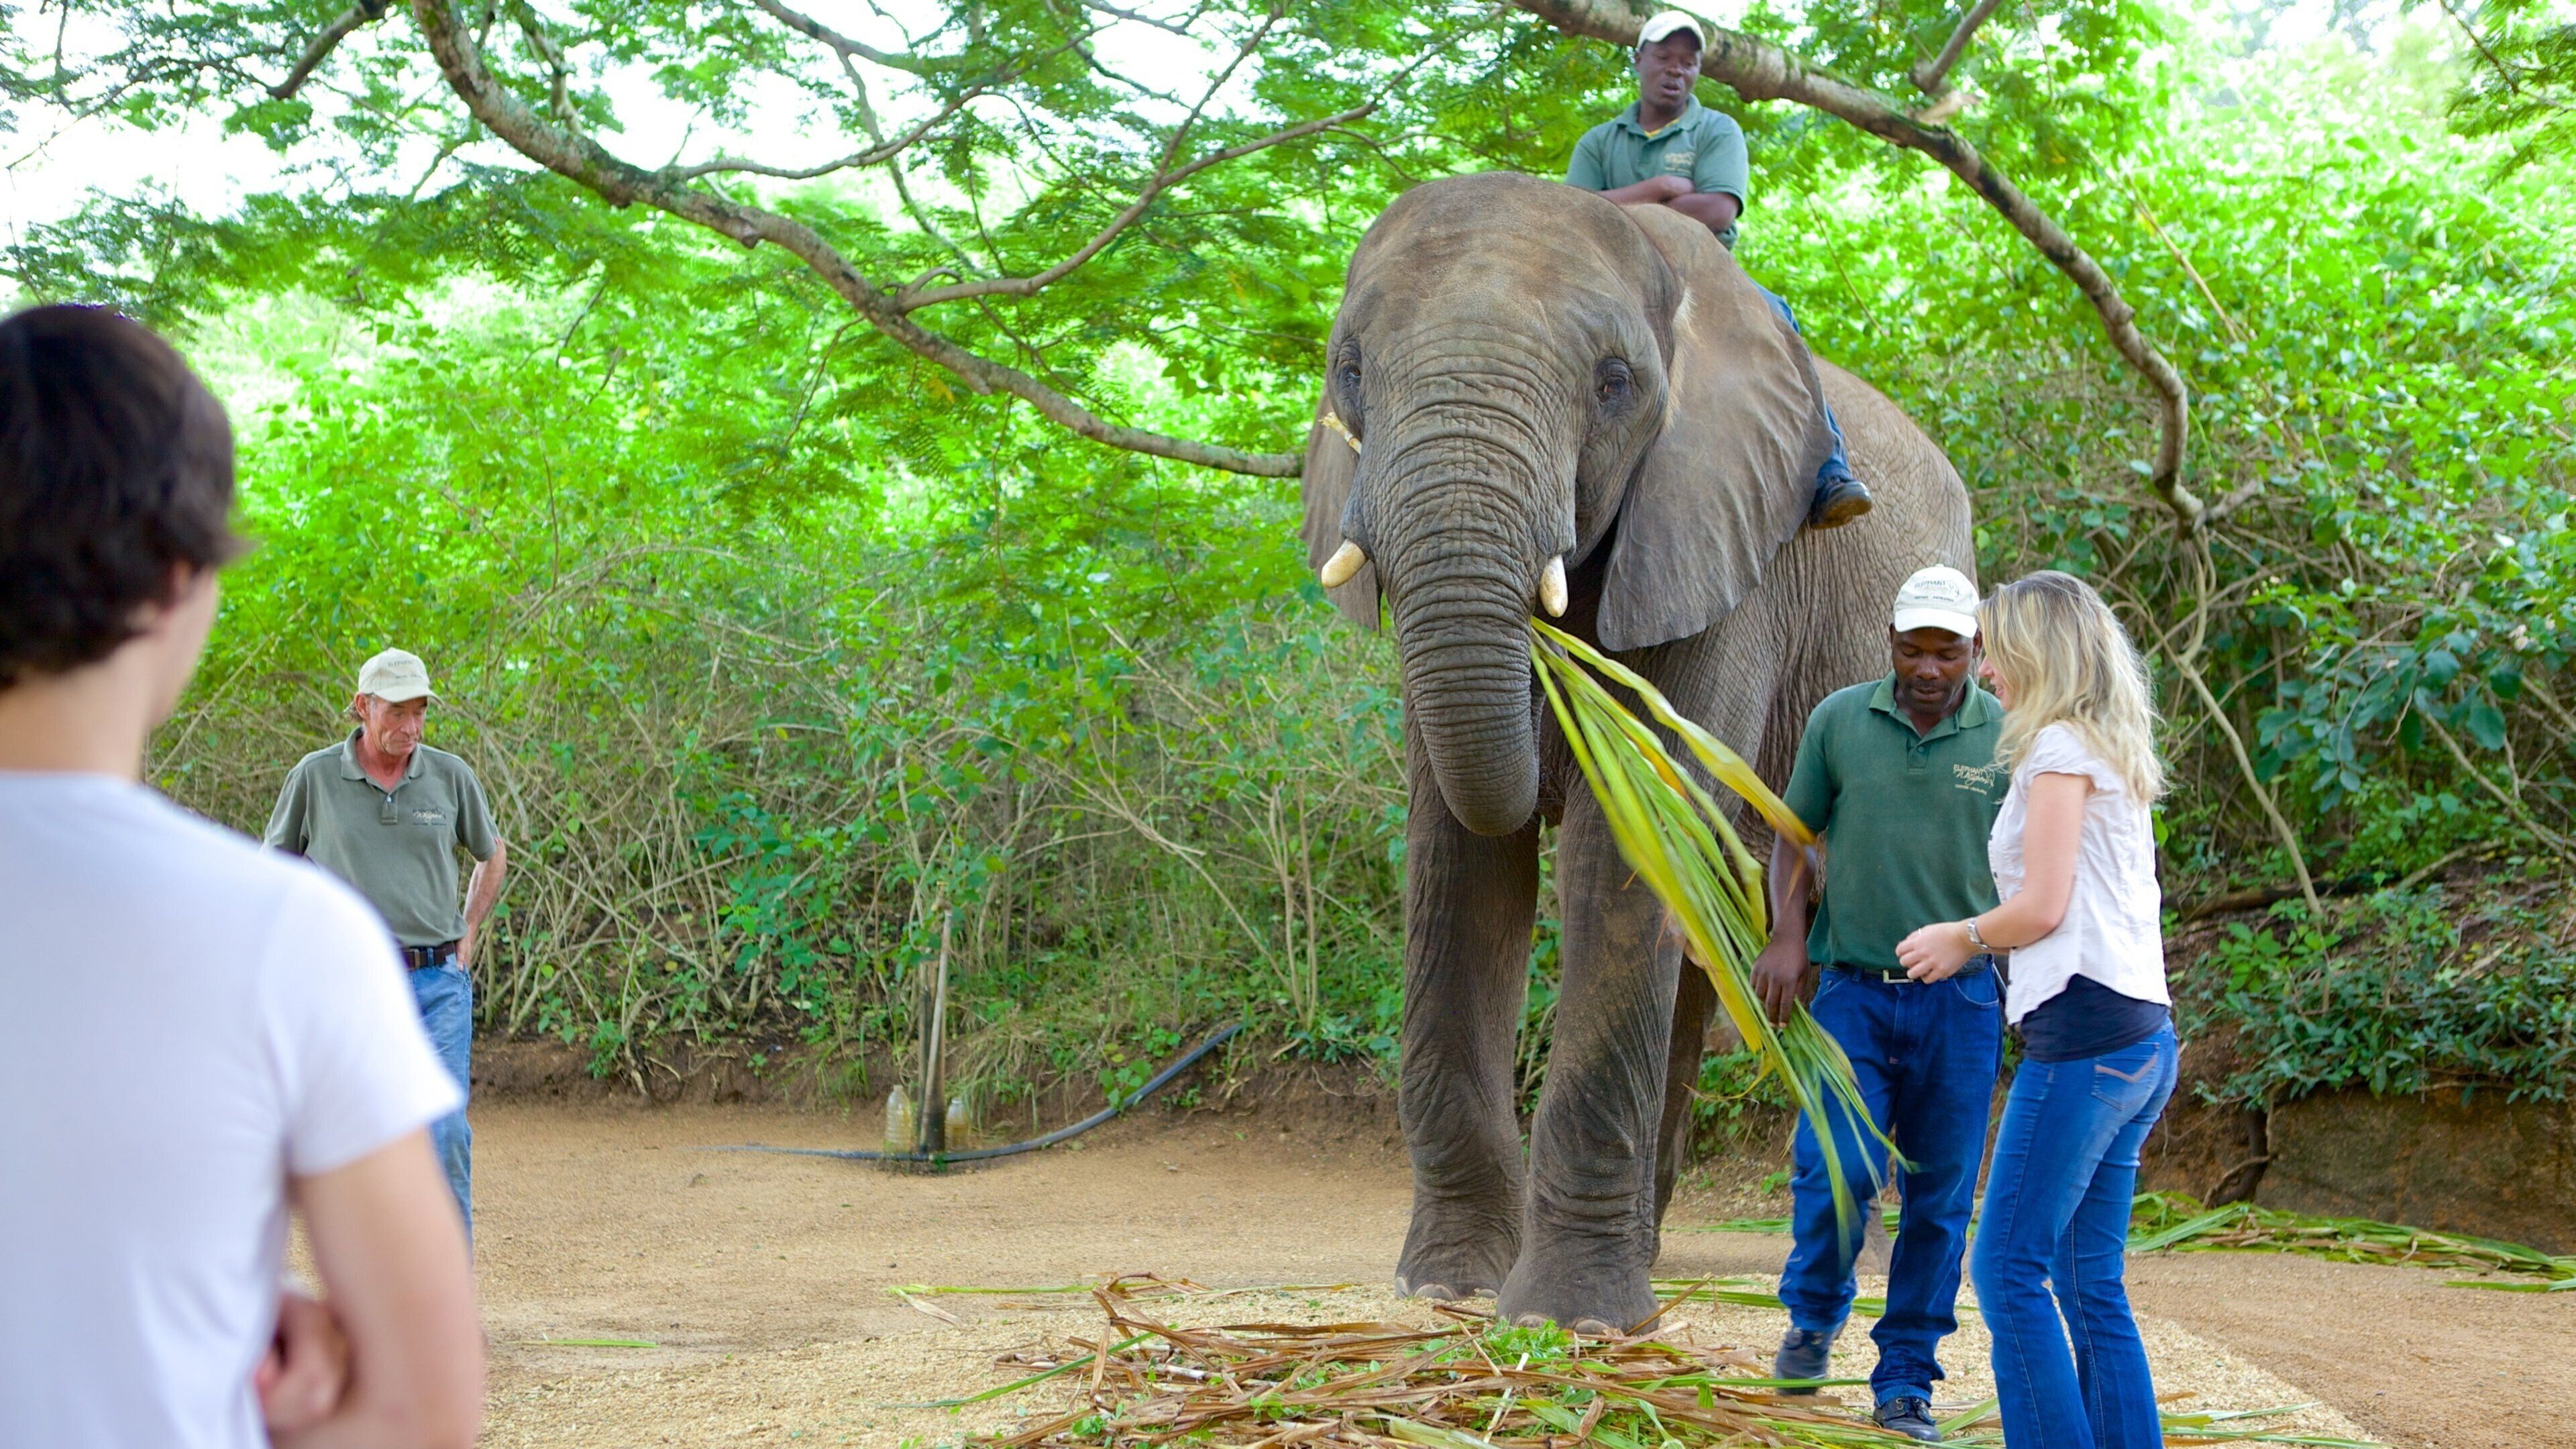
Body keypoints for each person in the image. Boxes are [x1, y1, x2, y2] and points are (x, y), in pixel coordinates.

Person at [0, 303, 482, 1447]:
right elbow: (424, 1410)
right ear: (179, 576)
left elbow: (486, 848)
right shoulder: (285, 939)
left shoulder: (348, 877)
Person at [1896, 570, 2176, 1449]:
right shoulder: (2107, 748)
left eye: (1996, 653)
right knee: (2086, 1276)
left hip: (2088, 1044)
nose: (1984, 673)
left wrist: (1962, 936)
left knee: (2007, 1266)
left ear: (2037, 655)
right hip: (2141, 1040)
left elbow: (2044, 906)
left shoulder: (2059, 751)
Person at [1752, 564, 2006, 1442]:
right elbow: (1792, 836)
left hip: (1964, 1005)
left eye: (1947, 651)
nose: (1928, 669)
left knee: (1938, 1202)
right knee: (1840, 1169)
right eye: (1912, 650)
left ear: (1976, 649)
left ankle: (1906, 1384)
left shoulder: (2009, 737)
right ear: (1888, 645)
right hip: (1853, 994)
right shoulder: (1838, 721)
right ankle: (1815, 1311)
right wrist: (1787, 933)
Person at [1563, 9, 1874, 530]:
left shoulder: (1715, 130)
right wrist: (1661, 189)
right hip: (1613, 285)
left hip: (1701, 276)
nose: (1676, 70)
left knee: (1778, 315)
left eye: (1689, 62)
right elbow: (1572, 214)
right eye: (1664, 57)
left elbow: (1718, 210)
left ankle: (1830, 471)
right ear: (1638, 60)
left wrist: (1616, 209)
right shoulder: (1600, 141)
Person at [266, 646, 506, 1230]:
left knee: (445, 1127)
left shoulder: (450, 775)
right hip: (351, 988)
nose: (410, 727)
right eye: (397, 712)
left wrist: (469, 928)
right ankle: (367, 1301)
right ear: (361, 707)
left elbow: (491, 856)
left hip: (437, 983)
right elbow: (275, 870)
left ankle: (444, 1307)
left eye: (420, 712)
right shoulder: (316, 777)